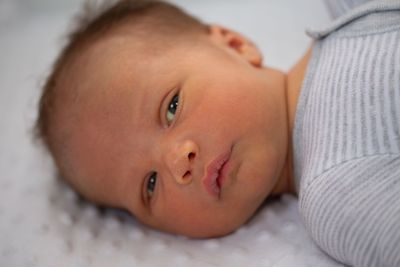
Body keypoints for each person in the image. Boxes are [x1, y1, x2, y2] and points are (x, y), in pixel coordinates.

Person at [35, 0, 400, 266]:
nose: (178, 164)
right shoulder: (337, 198)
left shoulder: (351, 12)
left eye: (172, 107)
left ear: (234, 44)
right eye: (149, 184)